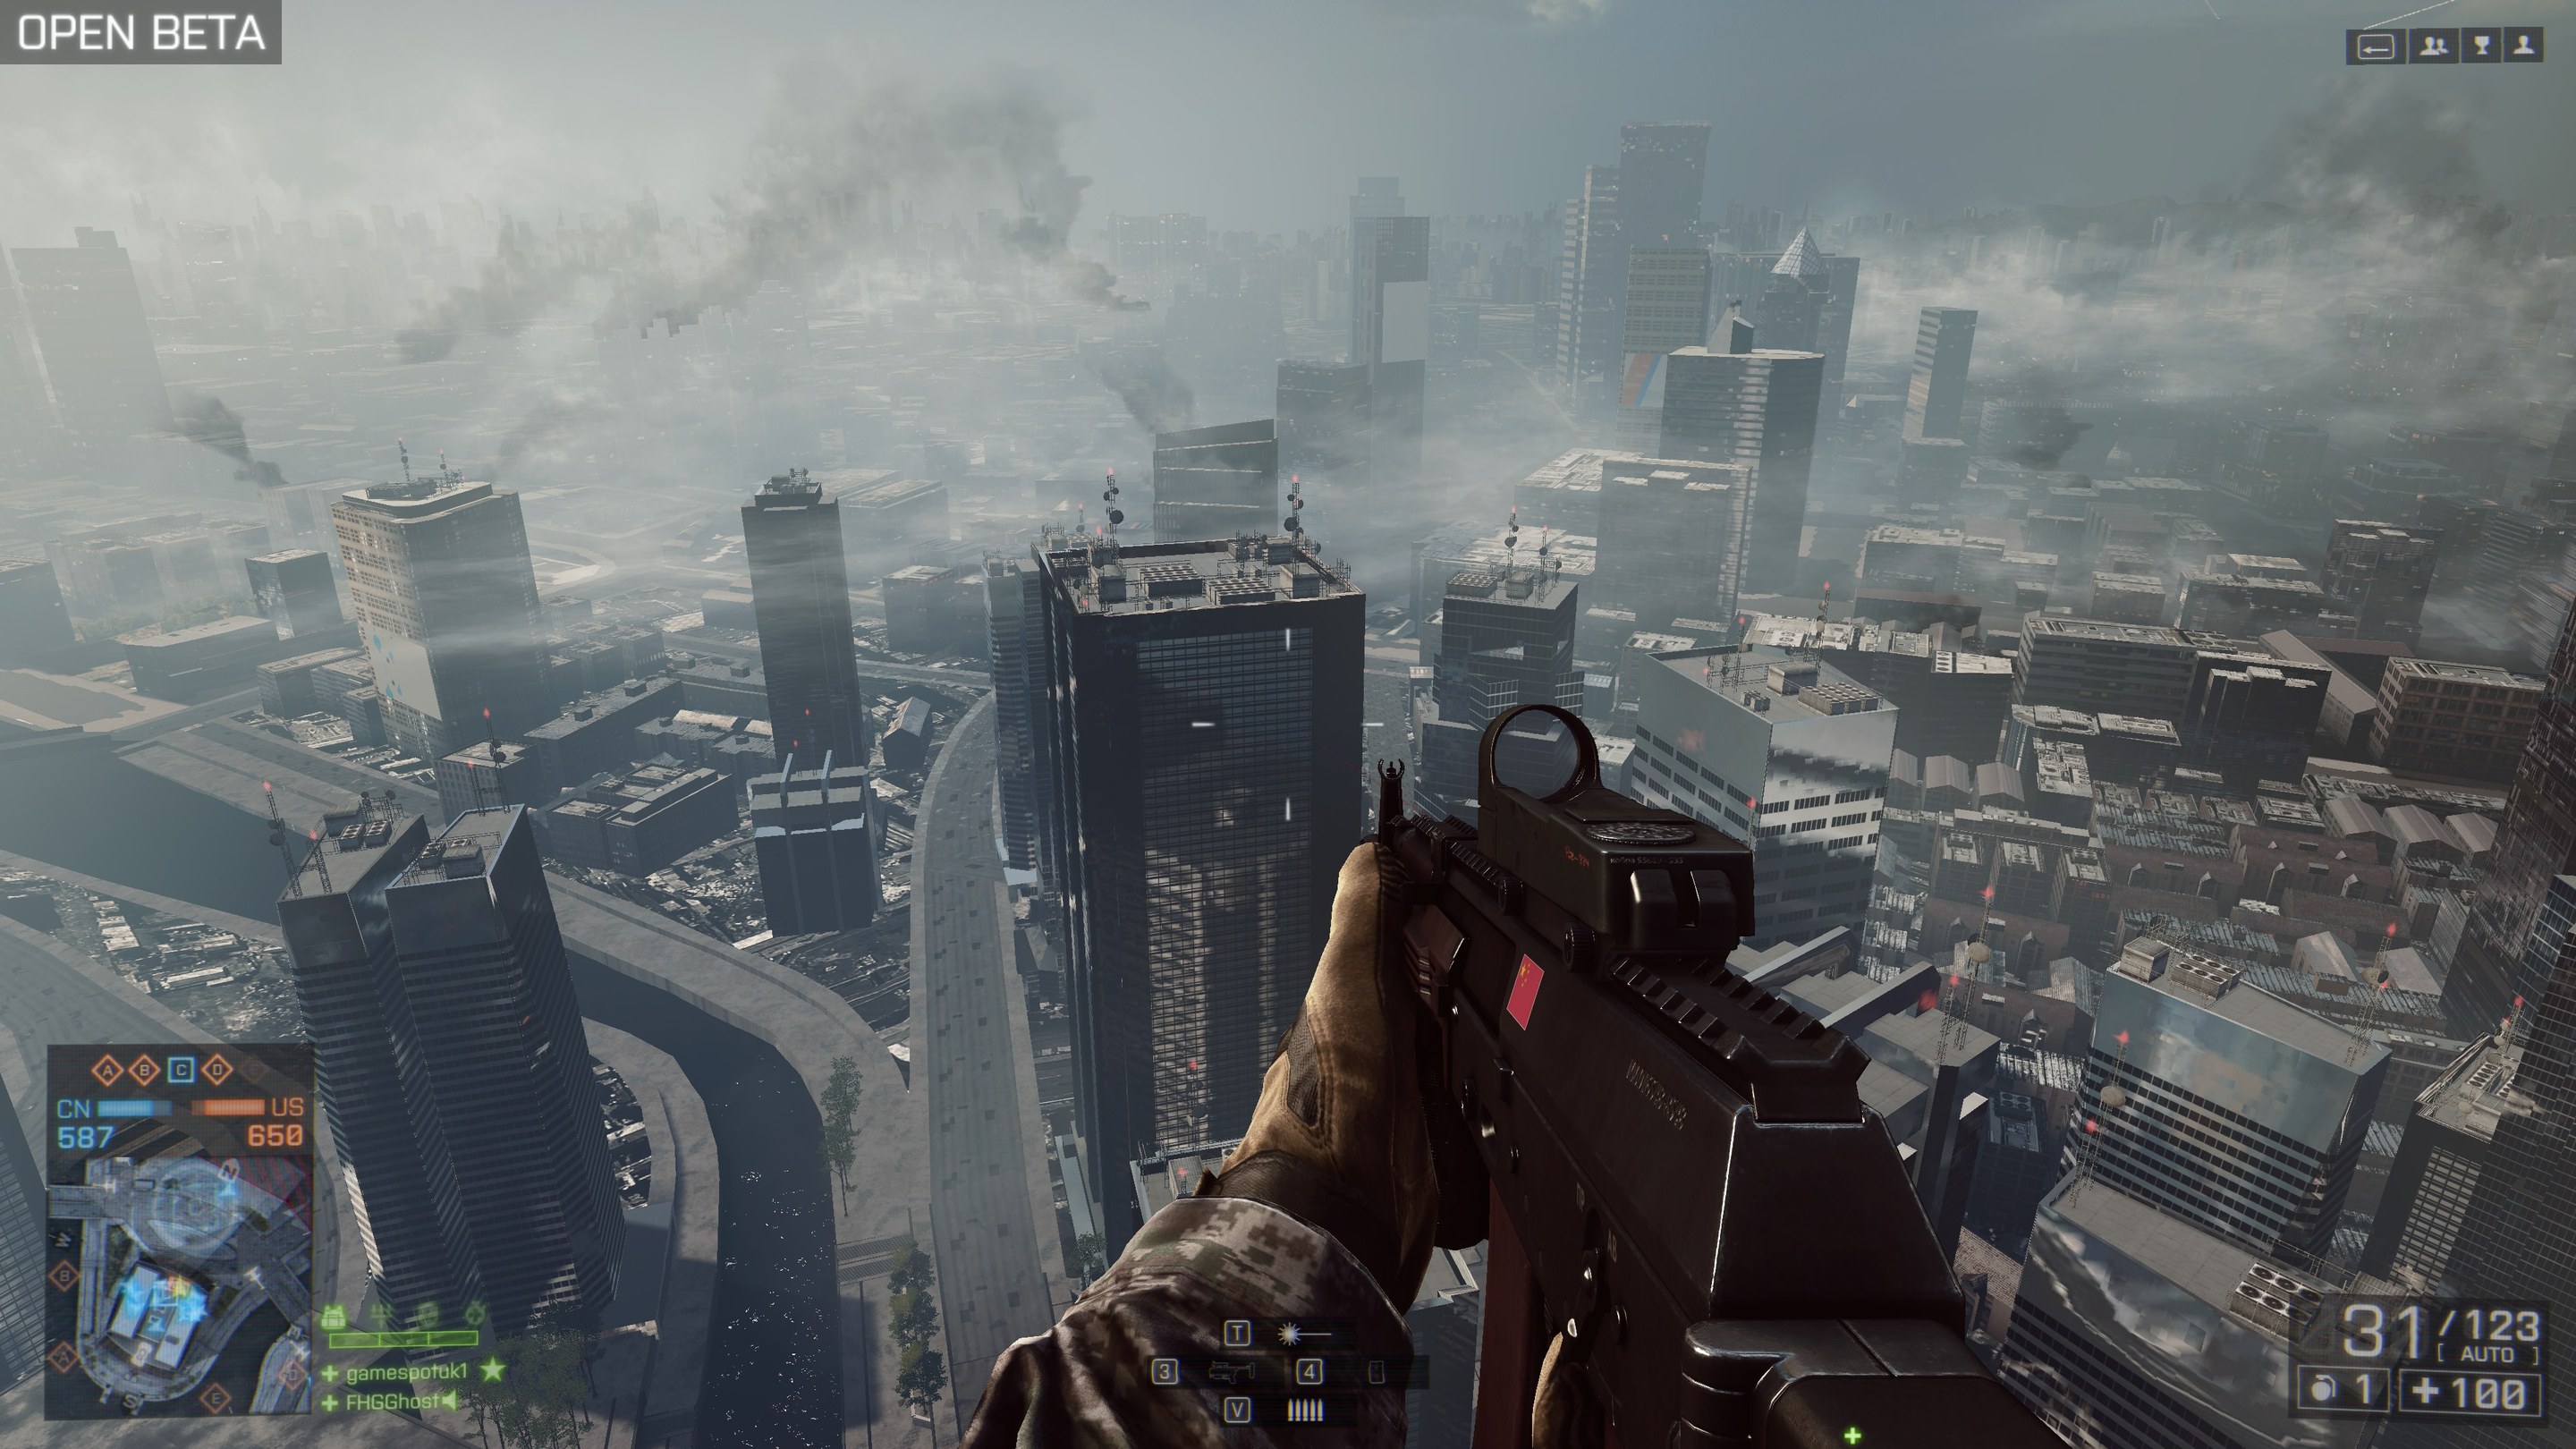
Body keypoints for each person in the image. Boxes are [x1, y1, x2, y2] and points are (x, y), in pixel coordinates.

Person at [960, 841, 1440, 1446]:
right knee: (1093, 1382)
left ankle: (1328, 1227)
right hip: (1279, 1281)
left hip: (1334, 1362)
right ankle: (1313, 1196)